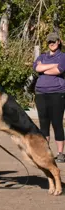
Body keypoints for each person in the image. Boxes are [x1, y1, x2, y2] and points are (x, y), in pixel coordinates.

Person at [33, 32, 65, 162]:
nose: (51, 44)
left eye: (54, 41)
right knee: (43, 123)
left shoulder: (62, 56)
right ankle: (46, 152)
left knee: (57, 123)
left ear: (59, 42)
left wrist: (43, 69)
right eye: (49, 42)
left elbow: (60, 70)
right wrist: (52, 66)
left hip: (57, 93)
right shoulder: (42, 56)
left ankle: (60, 153)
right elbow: (36, 68)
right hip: (41, 93)